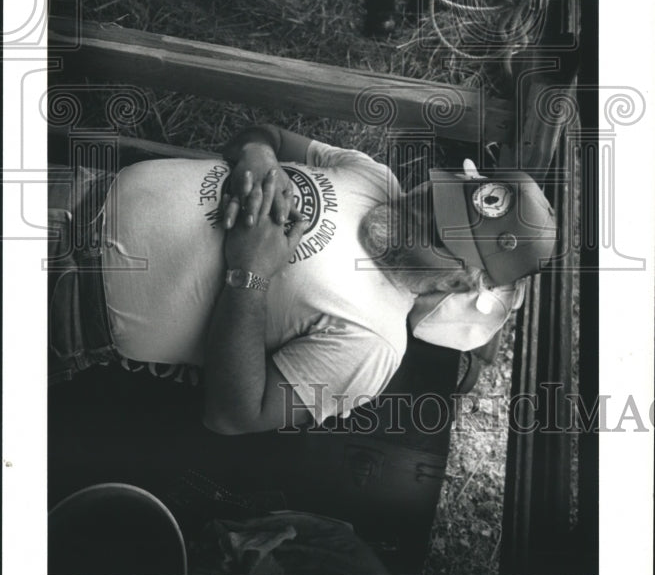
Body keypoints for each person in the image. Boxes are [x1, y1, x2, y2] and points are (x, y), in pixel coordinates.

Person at [48, 123, 556, 434]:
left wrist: (249, 274)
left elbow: (235, 415)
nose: (414, 208)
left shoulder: (372, 347)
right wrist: (259, 161)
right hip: (77, 189)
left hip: (63, 301)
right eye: (435, 197)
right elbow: (262, 135)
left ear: (457, 283)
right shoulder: (373, 175)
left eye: (439, 232)